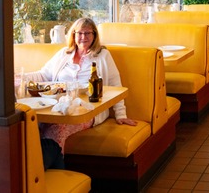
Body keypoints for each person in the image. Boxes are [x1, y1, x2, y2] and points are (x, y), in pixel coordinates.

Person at [24, 17, 136, 168]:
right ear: (73, 35)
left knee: (58, 128)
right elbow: (43, 75)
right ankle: (55, 172)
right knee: (33, 125)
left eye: (88, 33)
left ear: (94, 35)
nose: (83, 37)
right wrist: (20, 77)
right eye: (79, 33)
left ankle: (34, 170)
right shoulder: (64, 54)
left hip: (88, 110)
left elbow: (116, 85)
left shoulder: (103, 55)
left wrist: (121, 114)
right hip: (56, 108)